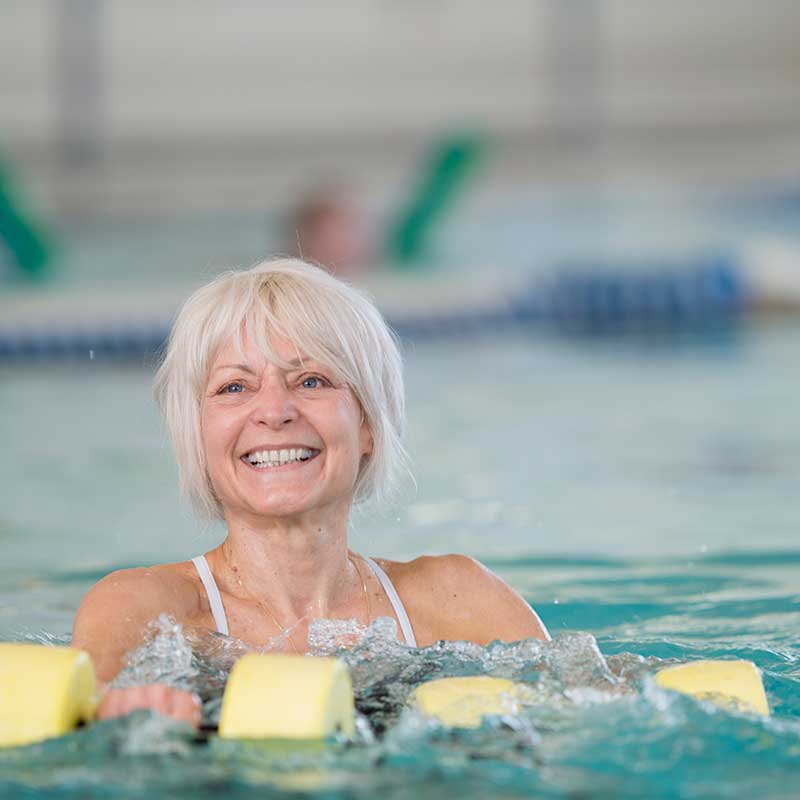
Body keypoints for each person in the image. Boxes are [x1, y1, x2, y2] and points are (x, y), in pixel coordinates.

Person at [72, 258, 549, 727]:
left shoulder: (456, 600)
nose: (275, 411)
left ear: (368, 425)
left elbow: (587, 713)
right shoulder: (147, 610)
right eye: (235, 387)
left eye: (311, 380)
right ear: (196, 436)